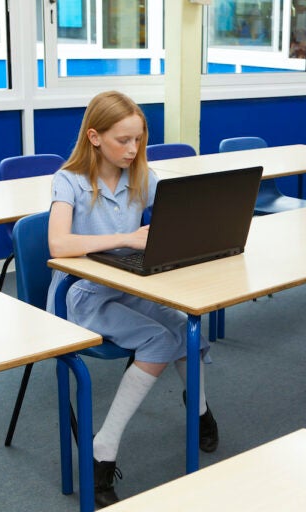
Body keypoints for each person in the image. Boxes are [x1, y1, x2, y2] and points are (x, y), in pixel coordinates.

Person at [45, 90, 218, 508]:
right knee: (161, 340)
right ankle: (103, 448)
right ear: (94, 137)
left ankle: (198, 409)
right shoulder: (68, 180)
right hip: (80, 295)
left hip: (127, 286)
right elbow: (57, 243)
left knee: (185, 322)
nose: (133, 149)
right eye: (123, 140)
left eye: (138, 139)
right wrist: (125, 236)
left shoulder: (142, 177)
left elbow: (182, 214)